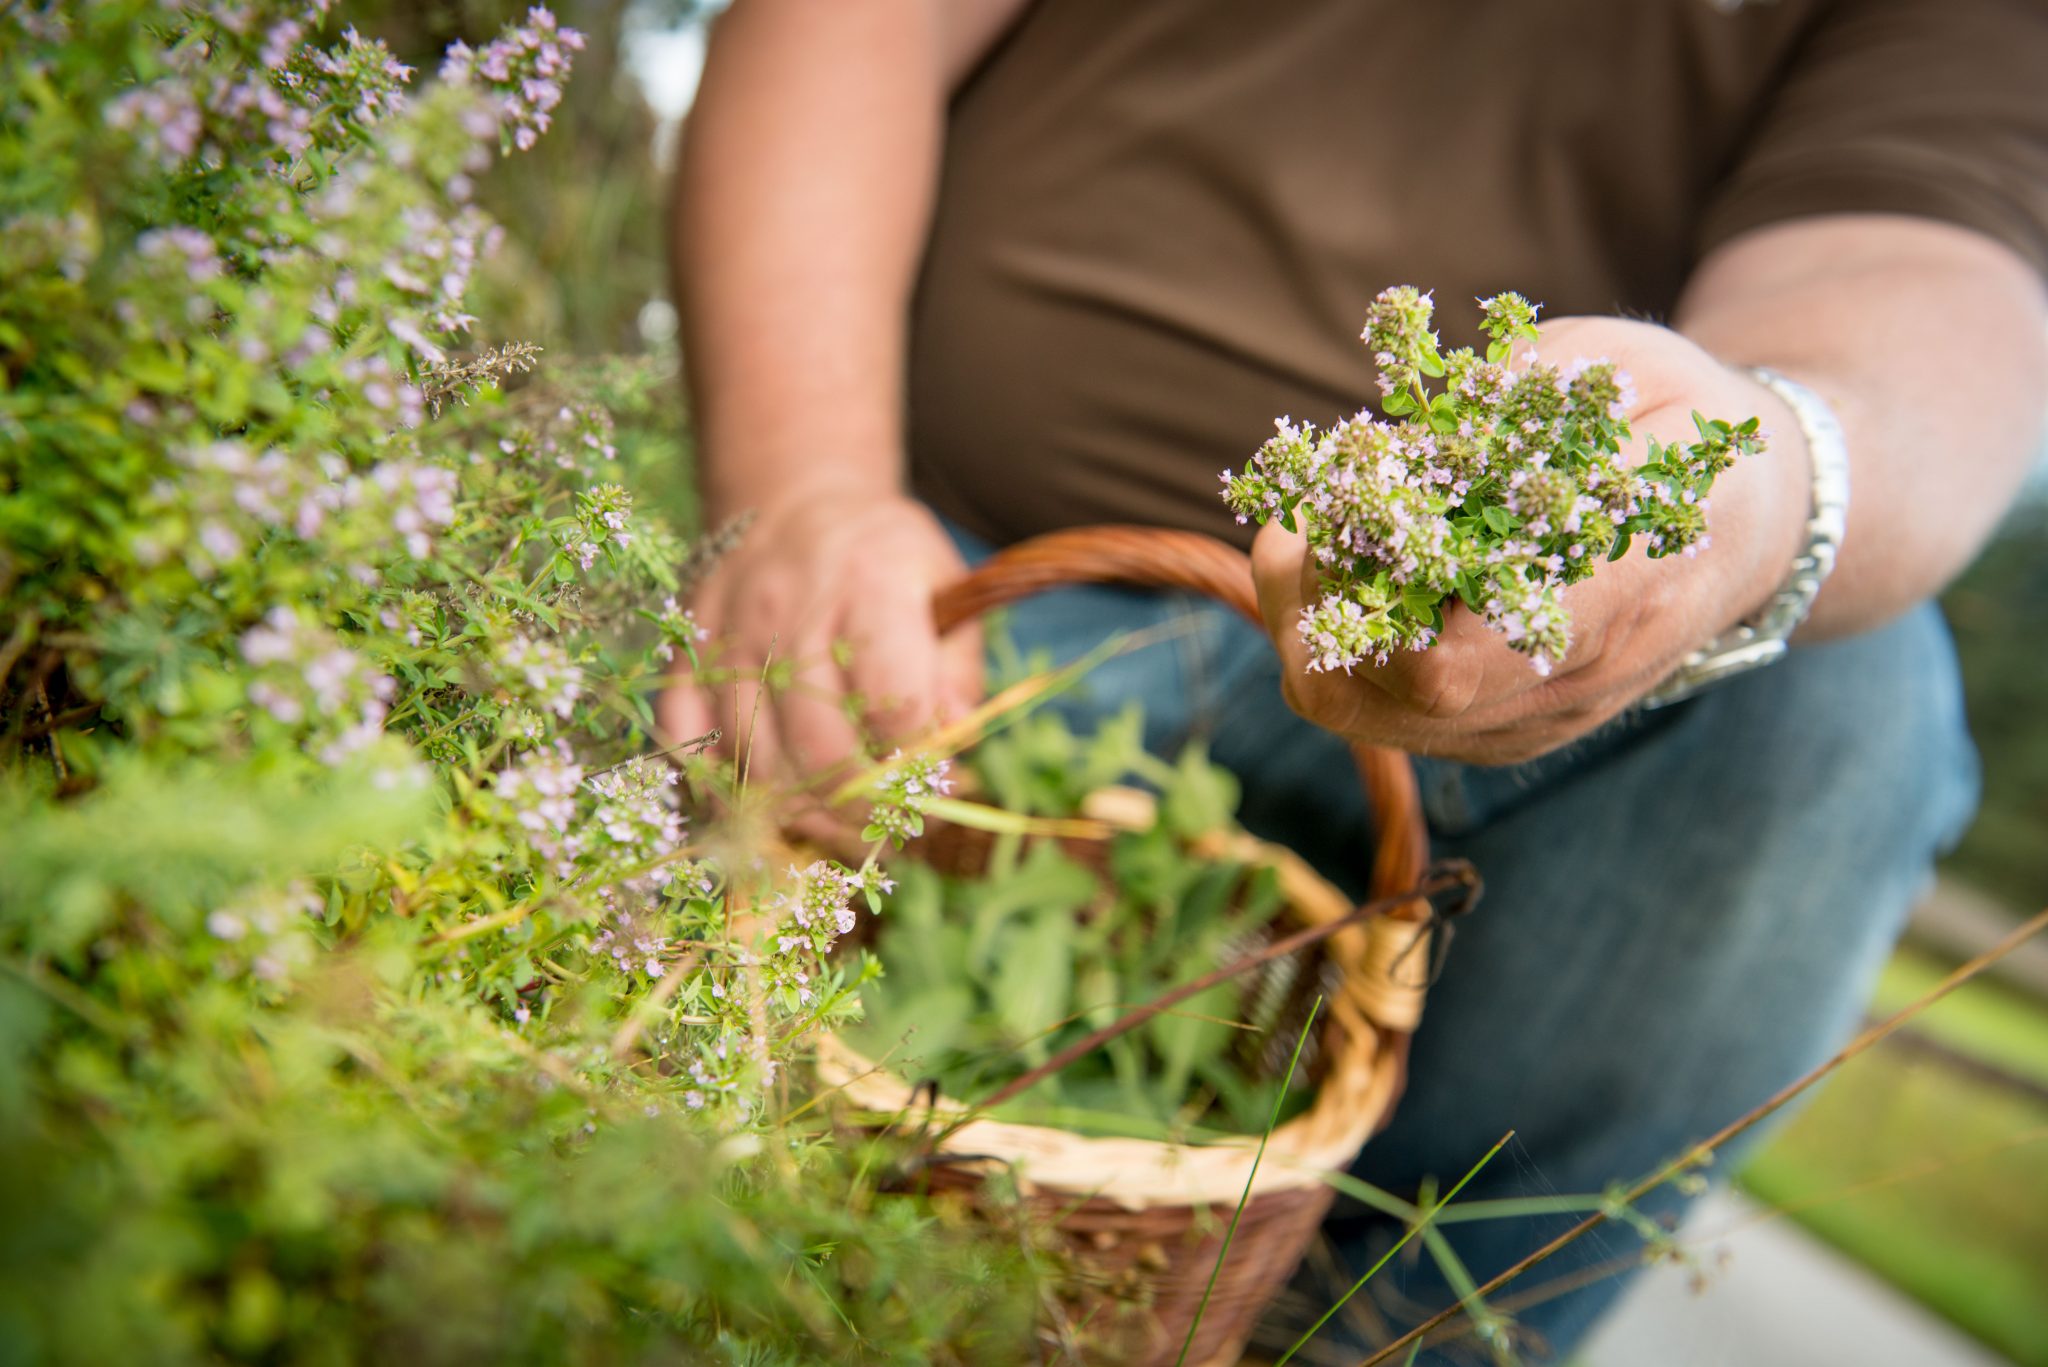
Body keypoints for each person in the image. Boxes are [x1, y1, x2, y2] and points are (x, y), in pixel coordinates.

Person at [659, 1, 2048, 1359]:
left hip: (1521, 713)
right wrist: (807, 485)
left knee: (1848, 708)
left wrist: (1759, 479)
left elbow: (1922, 312)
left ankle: (1367, 1339)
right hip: (959, 592)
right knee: (716, 988)